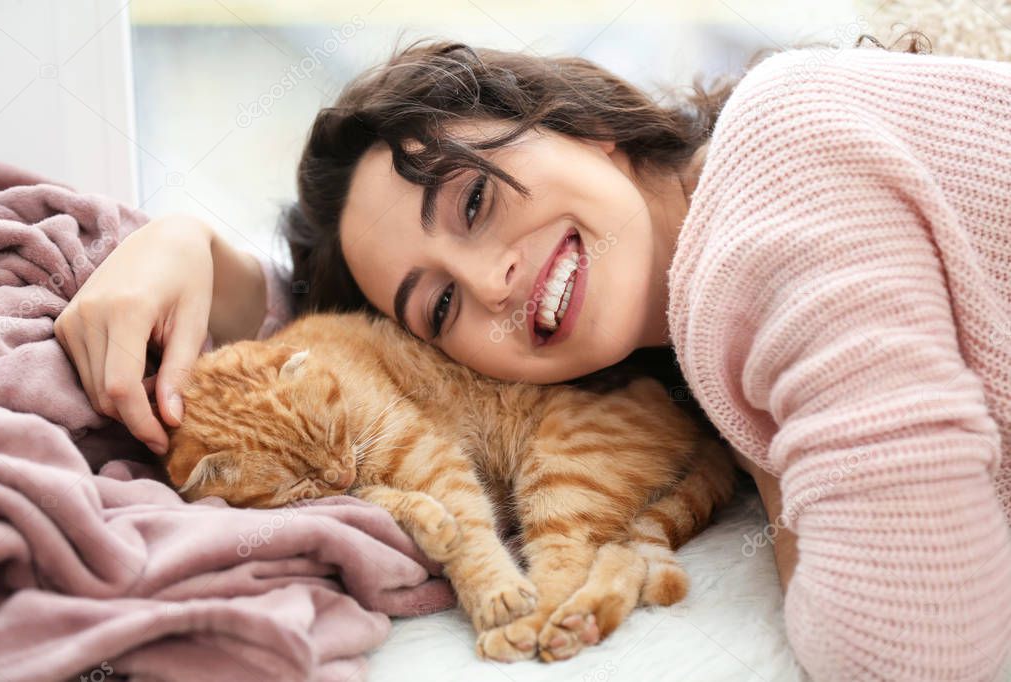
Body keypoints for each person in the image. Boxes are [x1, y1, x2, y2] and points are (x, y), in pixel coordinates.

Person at [54, 36, 1011, 680]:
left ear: (575, 124)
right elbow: (352, 356)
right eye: (441, 305)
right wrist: (180, 243)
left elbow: (915, 648)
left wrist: (771, 479)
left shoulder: (772, 173)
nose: (494, 282)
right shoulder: (697, 316)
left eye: (472, 202)